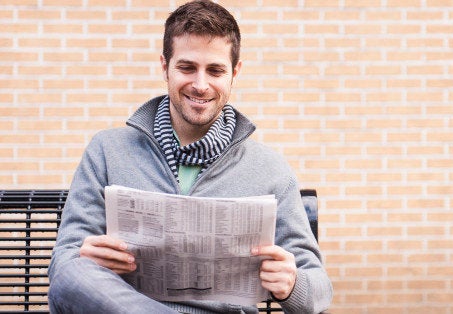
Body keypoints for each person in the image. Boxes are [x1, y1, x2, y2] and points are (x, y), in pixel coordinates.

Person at [47, 1, 333, 313]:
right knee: (73, 271)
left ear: (234, 72)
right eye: (187, 67)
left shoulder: (269, 169)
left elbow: (319, 290)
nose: (200, 84)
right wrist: (85, 257)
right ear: (164, 66)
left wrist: (291, 284)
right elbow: (64, 268)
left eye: (215, 70)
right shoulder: (107, 150)